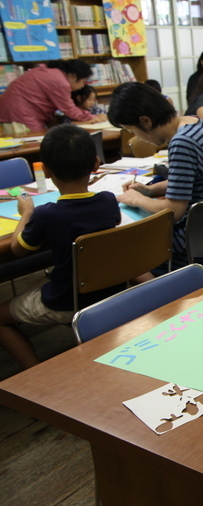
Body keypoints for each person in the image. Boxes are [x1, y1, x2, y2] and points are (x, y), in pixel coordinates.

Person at [0, 125, 121, 370]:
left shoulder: (46, 215)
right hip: (112, 291)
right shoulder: (108, 201)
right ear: (96, 164)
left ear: (45, 170)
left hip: (67, 301)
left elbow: (17, 249)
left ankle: (37, 374)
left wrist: (26, 213)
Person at [108, 82, 203, 274]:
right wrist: (150, 190)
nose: (136, 137)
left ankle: (166, 296)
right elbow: (190, 180)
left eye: (131, 131)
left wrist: (138, 199)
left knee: (120, 250)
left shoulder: (182, 142)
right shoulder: (195, 123)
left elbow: (174, 211)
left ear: (145, 121)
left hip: (197, 248)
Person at [0, 60, 107, 133]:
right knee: (36, 143)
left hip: (16, 110)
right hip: (20, 114)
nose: (82, 86)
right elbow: (69, 109)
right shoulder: (60, 81)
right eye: (83, 82)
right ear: (73, 76)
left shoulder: (50, 72)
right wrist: (94, 117)